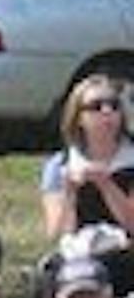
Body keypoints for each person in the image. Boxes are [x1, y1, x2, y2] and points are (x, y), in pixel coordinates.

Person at [38, 78, 134, 276]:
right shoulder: (60, 165)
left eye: (113, 105)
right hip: (80, 255)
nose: (107, 112)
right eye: (96, 106)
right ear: (78, 117)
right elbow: (56, 234)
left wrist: (106, 185)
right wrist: (70, 193)